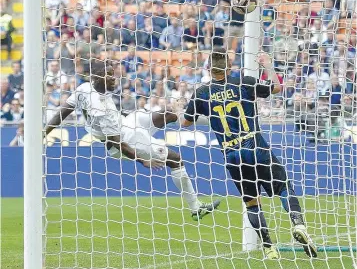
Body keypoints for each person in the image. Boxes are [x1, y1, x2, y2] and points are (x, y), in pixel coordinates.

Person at [181, 48, 317, 259]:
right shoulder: (244, 82)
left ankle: (269, 248)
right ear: (228, 67)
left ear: (208, 69)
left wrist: (209, 112)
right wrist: (267, 64)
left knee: (252, 202)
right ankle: (298, 224)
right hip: (255, 146)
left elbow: (186, 122)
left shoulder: (201, 93)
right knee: (283, 187)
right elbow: (278, 88)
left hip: (232, 155)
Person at [45, 59, 220, 221]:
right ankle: (196, 208)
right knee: (176, 160)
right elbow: (118, 143)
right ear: (96, 77)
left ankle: (217, 120)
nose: (114, 78)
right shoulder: (101, 109)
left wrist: (45, 131)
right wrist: (142, 160)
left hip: (128, 122)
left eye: (113, 73)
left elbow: (64, 111)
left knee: (170, 113)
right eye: (109, 75)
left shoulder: (84, 88)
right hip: (127, 139)